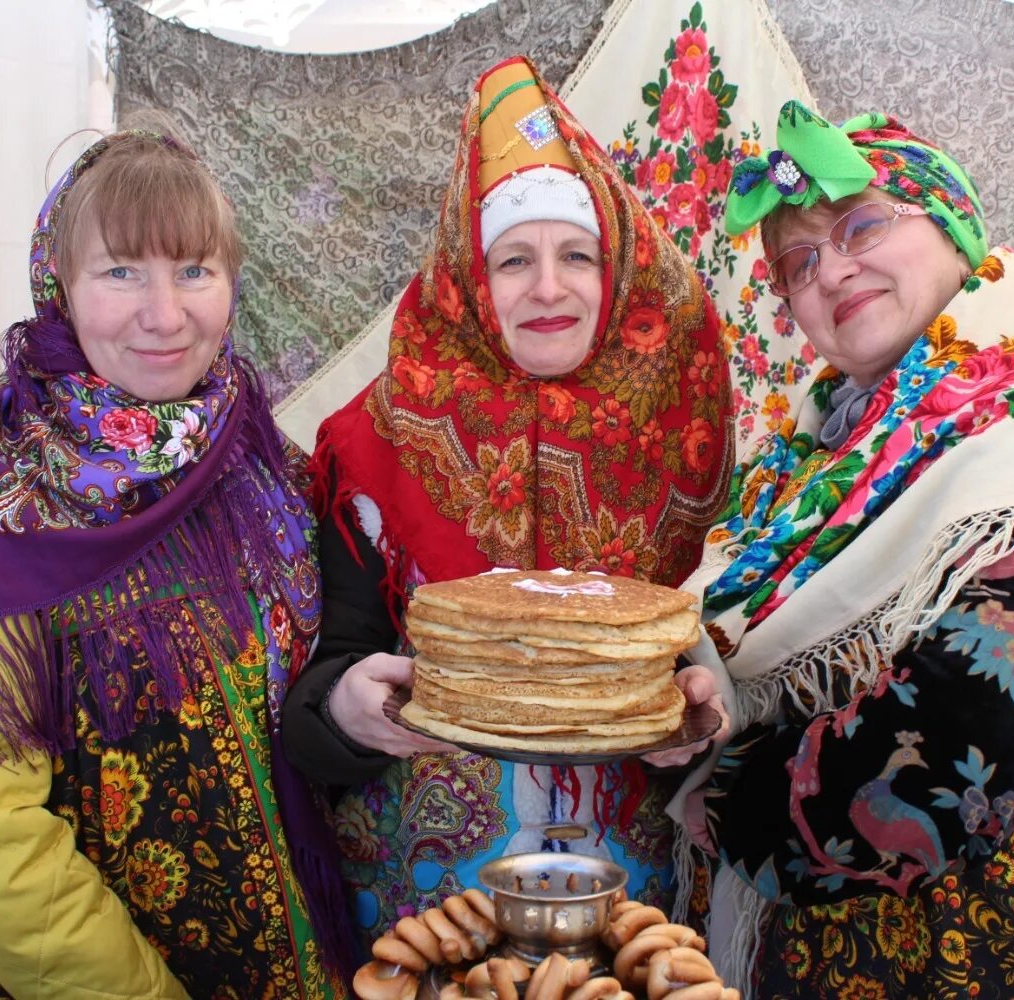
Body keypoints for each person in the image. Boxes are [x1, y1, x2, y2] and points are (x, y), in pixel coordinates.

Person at [674, 101, 1014, 998]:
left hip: (992, 963)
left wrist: (709, 789)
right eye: (799, 262)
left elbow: (966, 744)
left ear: (951, 227)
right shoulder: (828, 456)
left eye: (863, 223)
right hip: (835, 956)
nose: (832, 269)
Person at [0, 128, 348, 998]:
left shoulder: (254, 454)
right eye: (121, 271)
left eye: (193, 269)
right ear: (59, 284)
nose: (165, 315)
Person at [281, 55, 733, 946]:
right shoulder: (374, 445)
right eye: (513, 260)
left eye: (577, 256)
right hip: (430, 912)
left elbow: (717, 657)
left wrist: (701, 714)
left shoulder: (691, 437)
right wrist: (344, 710)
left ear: (623, 273)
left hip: (635, 911)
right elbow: (314, 698)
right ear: (466, 281)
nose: (549, 288)